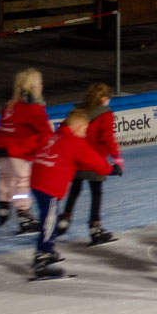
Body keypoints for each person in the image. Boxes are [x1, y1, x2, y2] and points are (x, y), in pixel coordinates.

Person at [28, 111, 112, 280]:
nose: (85, 133)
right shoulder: (74, 142)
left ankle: (48, 250)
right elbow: (92, 160)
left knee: (48, 218)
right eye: (85, 129)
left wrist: (9, 149)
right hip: (48, 186)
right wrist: (110, 169)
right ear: (78, 127)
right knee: (49, 221)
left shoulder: (50, 136)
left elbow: (28, 144)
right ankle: (42, 258)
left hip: (37, 183)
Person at [57, 83, 123, 245]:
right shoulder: (105, 114)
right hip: (95, 159)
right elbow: (107, 137)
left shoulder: (79, 111)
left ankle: (65, 218)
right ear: (103, 99)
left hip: (77, 158)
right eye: (108, 99)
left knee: (75, 189)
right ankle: (95, 227)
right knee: (96, 193)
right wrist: (117, 158)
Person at [0, 68, 51, 233]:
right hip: (16, 150)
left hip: (1, 149)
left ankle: (3, 207)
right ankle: (24, 215)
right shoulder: (33, 108)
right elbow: (46, 132)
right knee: (23, 180)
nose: (42, 86)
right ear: (33, 86)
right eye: (40, 83)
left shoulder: (11, 105)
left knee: (6, 178)